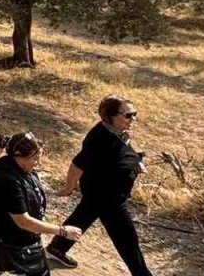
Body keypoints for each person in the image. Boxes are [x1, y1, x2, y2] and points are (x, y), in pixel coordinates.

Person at [45, 96, 152, 275]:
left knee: (84, 215)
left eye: (134, 114)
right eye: (128, 115)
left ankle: (57, 248)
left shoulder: (117, 131)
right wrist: (69, 188)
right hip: (108, 198)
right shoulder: (99, 139)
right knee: (127, 240)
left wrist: (136, 162)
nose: (133, 119)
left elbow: (120, 153)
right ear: (110, 116)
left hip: (100, 192)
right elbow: (77, 165)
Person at [0, 133, 82, 276]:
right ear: (19, 156)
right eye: (35, 159)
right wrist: (63, 231)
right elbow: (23, 222)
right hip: (15, 243)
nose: (38, 163)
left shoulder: (22, 169)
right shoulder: (8, 180)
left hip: (14, 239)